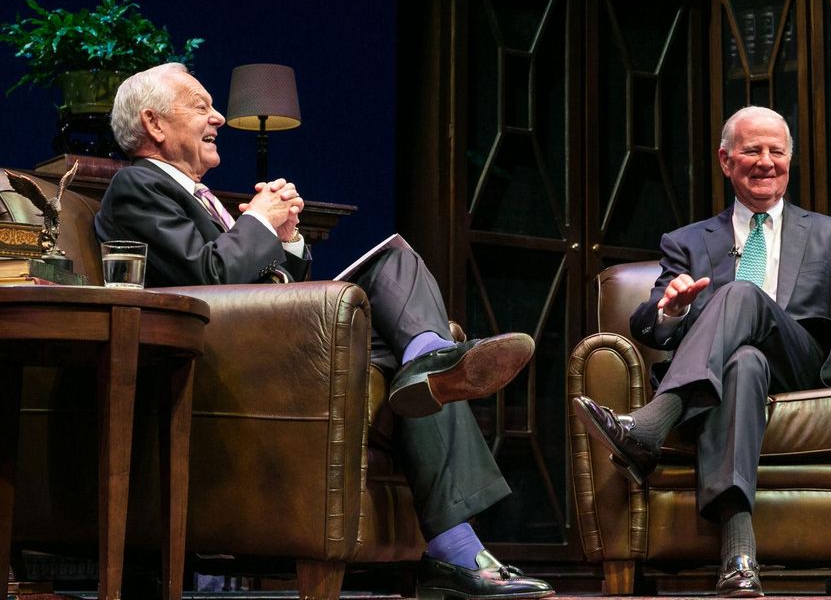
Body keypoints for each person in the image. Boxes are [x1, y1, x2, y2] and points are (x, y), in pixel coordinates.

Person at [94, 63, 554, 600]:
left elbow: (271, 286)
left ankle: (430, 361)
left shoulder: (201, 195)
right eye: (201, 106)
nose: (218, 116)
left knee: (398, 271)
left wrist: (285, 240)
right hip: (222, 359)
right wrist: (261, 221)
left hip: (262, 344)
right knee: (399, 300)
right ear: (153, 123)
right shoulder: (138, 186)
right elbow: (209, 276)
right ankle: (453, 544)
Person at [571, 105, 831, 597]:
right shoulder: (686, 241)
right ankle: (739, 558)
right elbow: (649, 324)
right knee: (744, 363)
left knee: (739, 293)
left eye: (776, 151)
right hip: (727, 376)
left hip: (800, 365)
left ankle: (652, 424)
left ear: (790, 159)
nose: (765, 161)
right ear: (727, 161)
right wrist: (675, 310)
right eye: (752, 150)